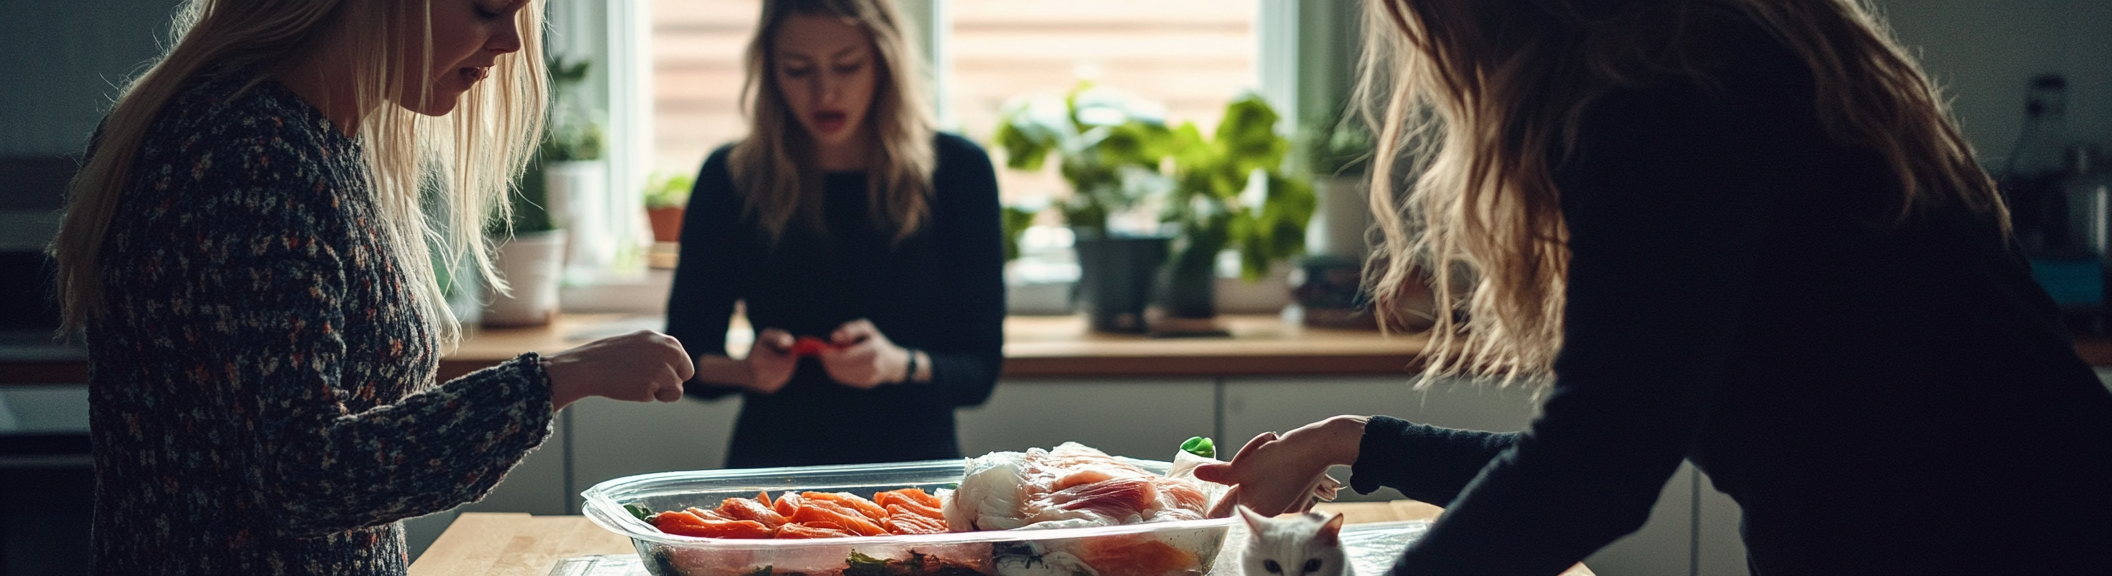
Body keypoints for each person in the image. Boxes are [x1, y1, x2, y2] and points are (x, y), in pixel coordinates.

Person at [1194, 1, 2112, 574]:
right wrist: (1359, 442)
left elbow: (1598, 468)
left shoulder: (1669, 99)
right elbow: (1631, 431)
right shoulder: (1725, 54)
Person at [47, 0, 695, 572]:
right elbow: (306, 474)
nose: (512, 44)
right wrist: (561, 378)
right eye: (486, 8)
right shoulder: (248, 155)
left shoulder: (299, 134)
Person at [663, 0, 1005, 469]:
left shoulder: (958, 172)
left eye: (847, 66)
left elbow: (979, 372)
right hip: (774, 471)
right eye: (798, 69)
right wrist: (747, 371)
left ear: (885, 63)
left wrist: (897, 363)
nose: (825, 92)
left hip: (913, 472)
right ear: (770, 71)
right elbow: (687, 358)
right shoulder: (731, 177)